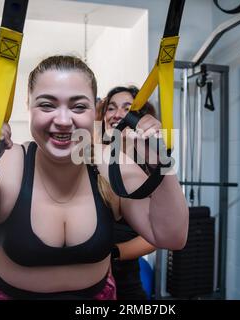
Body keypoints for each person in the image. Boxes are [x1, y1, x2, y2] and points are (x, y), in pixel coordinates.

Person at [0, 56, 189, 300]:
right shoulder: (9, 163)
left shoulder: (110, 165)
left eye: (78, 106)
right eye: (47, 104)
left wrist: (161, 161)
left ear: (92, 111)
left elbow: (171, 237)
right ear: (28, 107)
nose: (63, 120)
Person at [97, 86, 158, 300]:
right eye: (110, 108)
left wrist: (112, 254)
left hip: (126, 285)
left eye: (127, 108)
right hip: (85, 286)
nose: (117, 114)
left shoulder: (149, 167)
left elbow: (157, 236)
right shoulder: (89, 159)